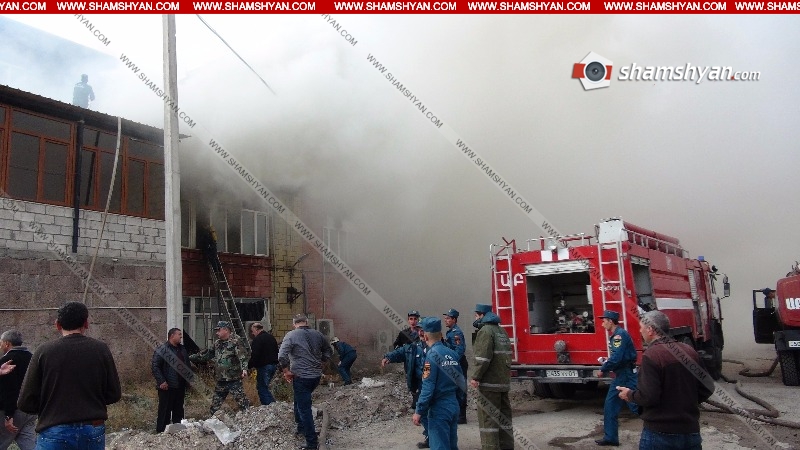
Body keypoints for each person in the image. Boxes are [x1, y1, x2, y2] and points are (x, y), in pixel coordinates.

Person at [18, 301, 121, 450]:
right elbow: (114, 394)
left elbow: (25, 401)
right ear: (86, 323)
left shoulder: (44, 351)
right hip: (92, 428)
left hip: (54, 429)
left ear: (57, 324)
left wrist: (50, 408)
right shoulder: (101, 349)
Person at [617, 310, 714, 450]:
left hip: (660, 434)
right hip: (690, 432)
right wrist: (686, 403)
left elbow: (648, 396)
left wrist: (629, 395)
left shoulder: (652, 355)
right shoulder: (689, 351)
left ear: (650, 330)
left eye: (641, 327)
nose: (640, 331)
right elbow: (708, 386)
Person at [278, 314, 332, 450]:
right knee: (299, 400)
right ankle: (301, 427)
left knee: (304, 409)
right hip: (315, 376)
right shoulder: (318, 334)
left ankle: (311, 443)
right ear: (307, 322)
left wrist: (286, 371)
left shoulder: (291, 335)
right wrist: (322, 362)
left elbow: (281, 356)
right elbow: (328, 350)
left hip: (301, 376)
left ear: (294, 324)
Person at [413, 317, 463, 450]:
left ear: (426, 336)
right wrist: (457, 402)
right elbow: (461, 382)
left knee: (439, 446)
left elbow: (427, 387)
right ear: (440, 335)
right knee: (452, 445)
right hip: (453, 405)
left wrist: (419, 411)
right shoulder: (452, 354)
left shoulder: (431, 357)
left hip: (439, 409)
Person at [469, 304, 514, 450]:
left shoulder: (485, 331)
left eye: (477, 315)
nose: (475, 318)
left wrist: (475, 376)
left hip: (489, 384)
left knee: (488, 421)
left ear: (482, 315)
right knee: (504, 420)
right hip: (502, 383)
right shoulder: (501, 331)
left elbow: (483, 358)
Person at [593, 310, 639, 447]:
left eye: (604, 321)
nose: (602, 324)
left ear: (610, 321)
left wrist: (603, 369)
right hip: (621, 374)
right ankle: (611, 438)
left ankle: (663, 424)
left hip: (625, 375)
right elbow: (618, 357)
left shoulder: (619, 335)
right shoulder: (618, 335)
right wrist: (607, 361)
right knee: (611, 406)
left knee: (636, 405)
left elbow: (617, 358)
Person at [383, 325, 430, 448]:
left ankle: (437, 437)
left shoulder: (435, 347)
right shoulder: (413, 346)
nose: (421, 333)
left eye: (424, 330)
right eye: (420, 330)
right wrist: (388, 357)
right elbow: (401, 351)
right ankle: (430, 436)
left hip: (432, 384)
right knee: (423, 410)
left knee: (432, 410)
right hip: (420, 383)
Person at [189, 321, 250, 414]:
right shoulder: (217, 343)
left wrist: (244, 369)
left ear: (226, 330)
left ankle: (248, 417)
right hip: (221, 379)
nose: (217, 333)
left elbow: (243, 356)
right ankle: (213, 418)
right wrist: (189, 358)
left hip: (233, 379)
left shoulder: (236, 341)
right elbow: (206, 355)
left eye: (219, 330)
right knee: (215, 404)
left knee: (242, 401)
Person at [151, 328, 191, 433]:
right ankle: (161, 432)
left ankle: (178, 431)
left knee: (178, 410)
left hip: (180, 385)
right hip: (167, 386)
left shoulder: (182, 349)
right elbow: (155, 366)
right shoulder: (163, 349)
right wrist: (161, 381)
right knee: (165, 411)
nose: (181, 336)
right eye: (179, 334)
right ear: (172, 336)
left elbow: (187, 364)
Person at [0, 330, 35, 450]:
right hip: (30, 411)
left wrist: (8, 415)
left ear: (7, 343)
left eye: (1, 343)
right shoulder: (33, 358)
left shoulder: (6, 361)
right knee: (30, 445)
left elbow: (8, 390)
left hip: (12, 411)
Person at [443, 308, 468, 424]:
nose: (446, 320)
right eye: (445, 318)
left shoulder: (456, 333)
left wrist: (452, 362)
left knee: (460, 388)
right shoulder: (450, 332)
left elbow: (459, 350)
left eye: (448, 318)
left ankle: (461, 416)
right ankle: (457, 414)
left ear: (454, 319)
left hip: (459, 363)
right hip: (455, 363)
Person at [248, 322, 279, 405]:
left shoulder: (258, 339)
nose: (252, 333)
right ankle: (273, 405)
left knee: (262, 388)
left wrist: (249, 366)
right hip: (273, 365)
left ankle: (269, 406)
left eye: (252, 331)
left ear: (256, 329)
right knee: (265, 387)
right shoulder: (271, 337)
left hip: (264, 366)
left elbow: (255, 355)